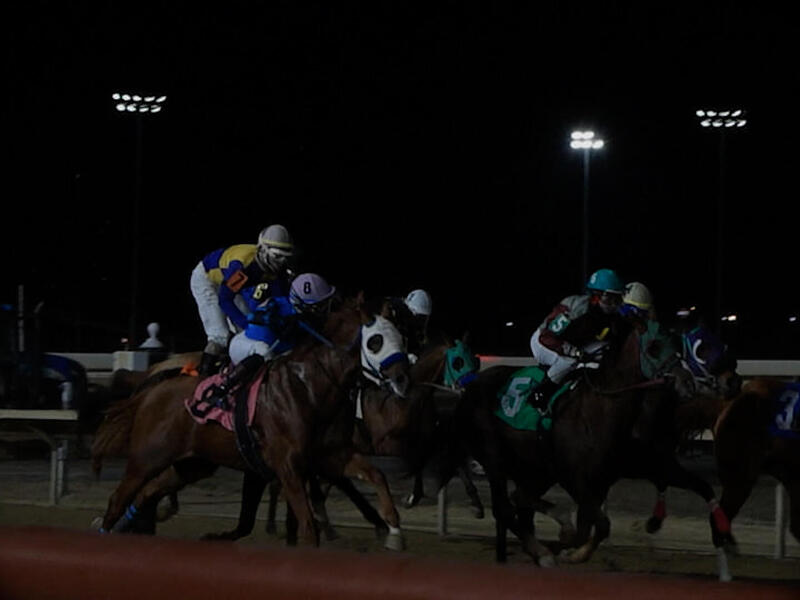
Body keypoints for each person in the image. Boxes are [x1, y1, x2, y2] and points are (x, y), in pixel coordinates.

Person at [202, 273, 337, 408]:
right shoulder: (275, 304)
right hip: (246, 346)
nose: (323, 309)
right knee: (264, 352)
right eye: (319, 305)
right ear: (301, 303)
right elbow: (254, 317)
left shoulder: (304, 315)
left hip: (279, 351)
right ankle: (222, 389)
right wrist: (278, 322)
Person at [190, 224, 294, 376]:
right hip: (208, 280)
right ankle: (202, 378)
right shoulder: (242, 266)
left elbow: (280, 300)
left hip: (231, 284)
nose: (281, 263)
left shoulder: (276, 269)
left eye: (286, 258)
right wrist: (246, 324)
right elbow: (224, 300)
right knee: (220, 335)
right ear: (263, 250)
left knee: (248, 333)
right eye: (277, 256)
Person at [528, 268, 625, 407]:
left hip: (573, 342)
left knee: (605, 351)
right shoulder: (576, 309)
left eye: (617, 298)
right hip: (544, 342)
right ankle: (541, 393)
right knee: (569, 362)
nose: (615, 303)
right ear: (596, 295)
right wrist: (573, 351)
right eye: (610, 297)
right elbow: (547, 337)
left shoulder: (608, 314)